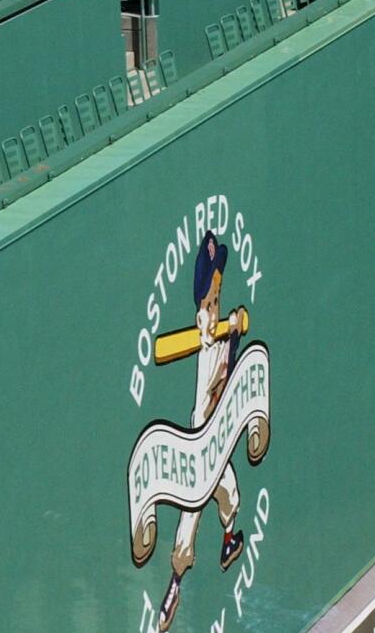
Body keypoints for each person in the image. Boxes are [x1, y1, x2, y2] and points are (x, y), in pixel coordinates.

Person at [158, 231, 248, 632]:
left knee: (231, 495)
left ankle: (229, 540)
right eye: (212, 287)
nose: (217, 290)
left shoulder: (221, 327)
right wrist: (221, 329)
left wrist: (234, 331)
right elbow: (202, 338)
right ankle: (174, 587)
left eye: (218, 285)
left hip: (220, 437)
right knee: (189, 521)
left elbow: (228, 373)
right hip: (201, 445)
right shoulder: (204, 327)